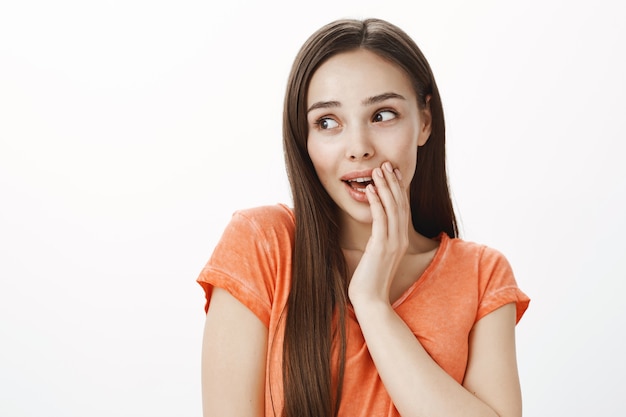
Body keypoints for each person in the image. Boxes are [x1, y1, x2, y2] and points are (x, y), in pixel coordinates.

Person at [196, 17, 530, 417]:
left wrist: (371, 303)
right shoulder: (262, 245)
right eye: (327, 122)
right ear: (305, 139)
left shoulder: (481, 275)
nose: (358, 148)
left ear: (424, 121)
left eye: (383, 115)